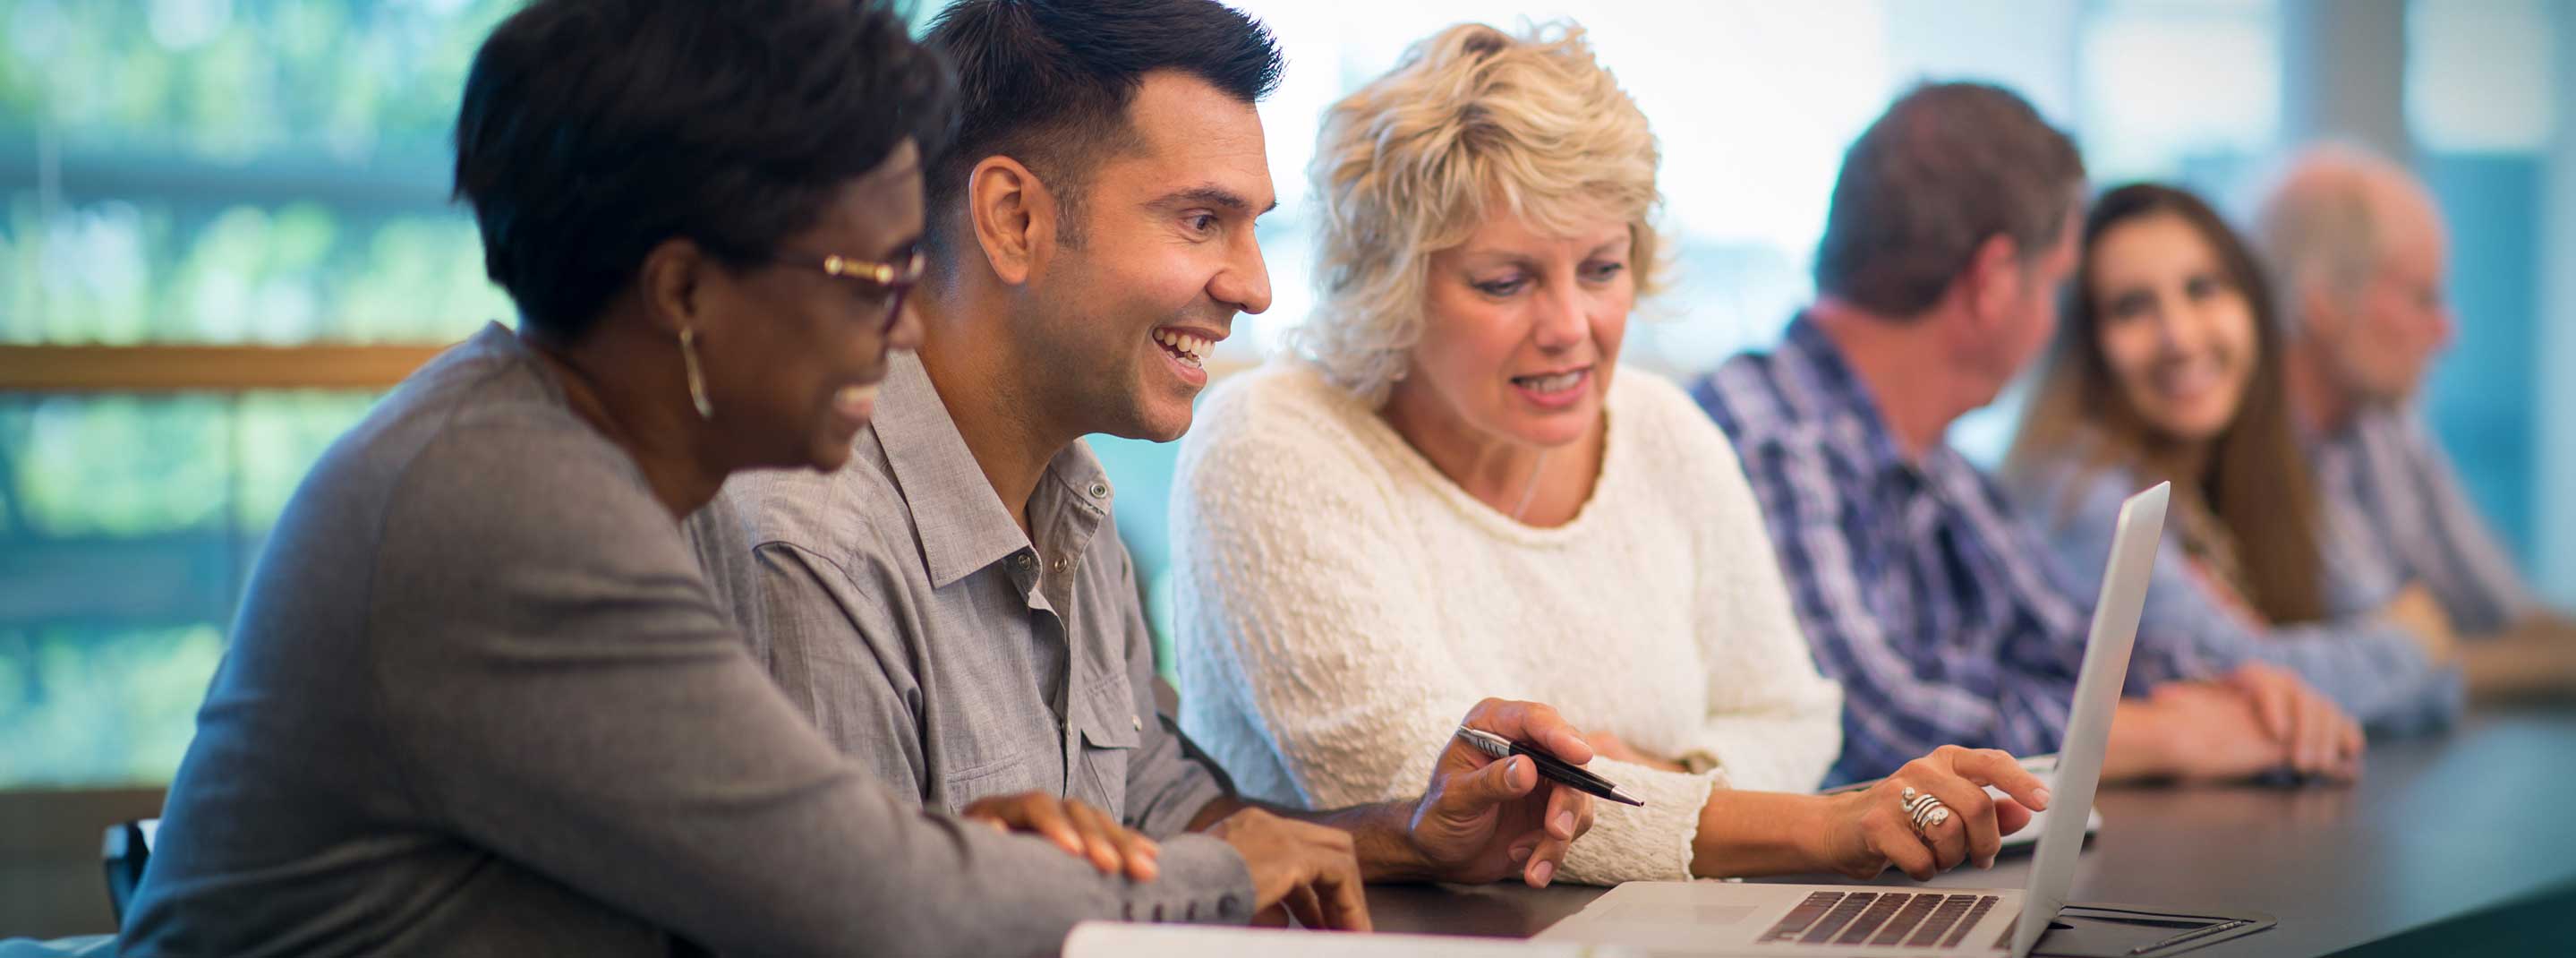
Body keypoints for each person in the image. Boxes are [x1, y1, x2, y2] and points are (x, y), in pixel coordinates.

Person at [119, 2, 1230, 953]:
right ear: (683, 292)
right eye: (869, 280)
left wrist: (972, 853)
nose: (900, 336)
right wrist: (1224, 884)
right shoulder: (509, 508)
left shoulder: (626, 474)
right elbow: (874, 910)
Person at [682, 0, 1595, 926]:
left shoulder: (1067, 493)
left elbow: (1161, 813)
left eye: (1248, 227)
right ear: (1013, 217)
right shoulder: (811, 544)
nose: (1253, 284)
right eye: (1201, 220)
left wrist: (1412, 832)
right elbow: (859, 934)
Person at [1169, 22, 2052, 889]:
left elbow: (1793, 713)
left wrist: (1672, 767)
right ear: (1387, 287)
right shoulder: (1270, 437)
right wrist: (1816, 821)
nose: (1570, 329)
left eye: (1600, 268)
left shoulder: (1659, 426)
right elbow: (1426, 789)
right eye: (1504, 282)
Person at [1694, 84, 2424, 790]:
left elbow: (2073, 644)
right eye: (2054, 286)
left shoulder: (1941, 469)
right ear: (1993, 282)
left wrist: (2234, 689)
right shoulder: (1775, 438)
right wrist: (2167, 735)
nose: (2050, 324)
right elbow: (1872, 724)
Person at [2000, 183, 2466, 734]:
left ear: (2253, 307)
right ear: (2088, 348)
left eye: (2204, 289)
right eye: (2131, 308)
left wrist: (2399, 659)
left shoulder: (2261, 462)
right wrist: (2410, 643)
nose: (2179, 336)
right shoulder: (2072, 489)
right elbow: (2234, 677)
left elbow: (2443, 683)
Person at [2251, 145, 2576, 703]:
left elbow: (2503, 613)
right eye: (2423, 297)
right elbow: (2384, 666)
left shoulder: (2385, 427)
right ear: (2322, 300)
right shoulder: (2254, 453)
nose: (2447, 331)